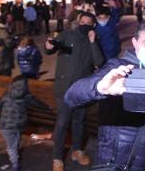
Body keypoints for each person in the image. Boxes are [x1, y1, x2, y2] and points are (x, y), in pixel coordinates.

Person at [64, 21, 145, 171]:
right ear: (135, 42)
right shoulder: (118, 68)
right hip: (120, 163)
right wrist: (100, 88)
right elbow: (72, 96)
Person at [45, 12, 104, 171]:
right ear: (78, 22)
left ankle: (77, 150)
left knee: (79, 121)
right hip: (64, 88)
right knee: (63, 123)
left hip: (81, 90)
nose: (84, 24)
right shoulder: (67, 35)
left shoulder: (92, 41)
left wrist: (92, 42)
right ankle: (57, 158)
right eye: (82, 21)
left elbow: (99, 62)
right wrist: (49, 45)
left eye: (88, 22)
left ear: (93, 25)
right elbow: (53, 46)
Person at [0, 76, 50, 171]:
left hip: (6, 125)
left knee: (11, 147)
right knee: (15, 140)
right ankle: (15, 152)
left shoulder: (7, 94)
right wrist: (47, 107)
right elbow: (37, 103)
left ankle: (15, 166)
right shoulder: (27, 96)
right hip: (20, 124)